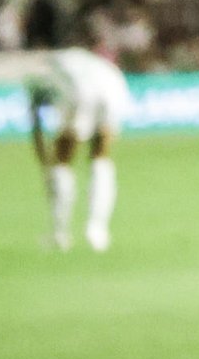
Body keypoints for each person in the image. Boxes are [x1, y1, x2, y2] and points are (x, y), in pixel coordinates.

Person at [23, 44, 129, 251]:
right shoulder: (72, 61)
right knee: (101, 157)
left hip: (79, 88)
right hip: (113, 84)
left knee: (62, 161)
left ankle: (59, 233)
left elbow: (36, 129)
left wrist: (48, 163)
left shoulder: (42, 79)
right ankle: (97, 230)